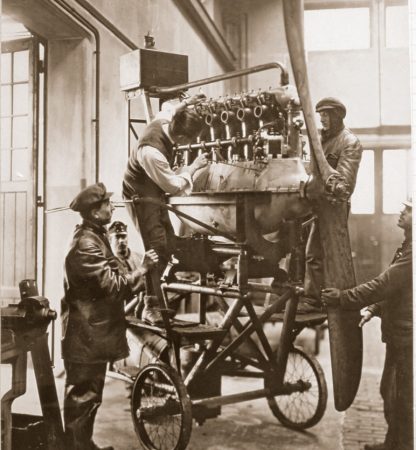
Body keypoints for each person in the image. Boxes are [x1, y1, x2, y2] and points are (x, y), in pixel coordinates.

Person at [61, 182, 158, 450]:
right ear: (94, 212)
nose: (112, 207)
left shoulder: (94, 235)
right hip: (86, 336)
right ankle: (76, 447)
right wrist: (143, 269)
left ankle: (83, 445)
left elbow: (113, 274)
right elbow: (115, 288)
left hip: (92, 334)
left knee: (89, 397)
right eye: (107, 204)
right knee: (83, 397)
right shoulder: (85, 245)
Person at [322, 200, 413, 450]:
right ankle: (393, 444)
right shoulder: (407, 245)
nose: (402, 211)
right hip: (400, 335)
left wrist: (342, 298)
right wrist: (374, 308)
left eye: (409, 209)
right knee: (391, 393)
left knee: (403, 399)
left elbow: (384, 284)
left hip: (408, 337)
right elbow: (398, 290)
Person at [122, 94, 208, 325]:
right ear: (181, 137)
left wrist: (188, 102)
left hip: (153, 193)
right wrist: (193, 167)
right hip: (140, 197)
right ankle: (151, 307)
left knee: (169, 242)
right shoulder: (152, 153)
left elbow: (171, 109)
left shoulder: (165, 120)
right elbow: (174, 186)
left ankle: (149, 301)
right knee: (157, 247)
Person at [300, 97, 363, 312]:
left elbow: (344, 184)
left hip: (332, 206)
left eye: (326, 115)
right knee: (299, 247)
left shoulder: (349, 142)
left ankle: (314, 300)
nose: (322, 119)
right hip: (311, 203)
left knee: (315, 253)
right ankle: (299, 291)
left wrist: (326, 186)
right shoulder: (319, 139)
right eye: (320, 115)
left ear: (337, 116)